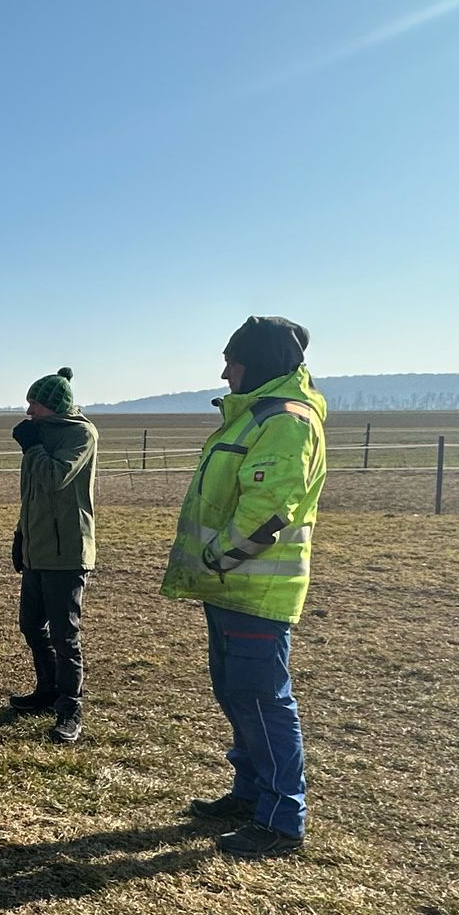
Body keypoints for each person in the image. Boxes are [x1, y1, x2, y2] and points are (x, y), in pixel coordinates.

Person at [161, 317, 328, 859]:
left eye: (232, 359)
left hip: (255, 590)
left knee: (262, 700)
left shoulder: (285, 420)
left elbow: (266, 512)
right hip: (230, 588)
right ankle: (250, 793)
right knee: (236, 693)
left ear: (256, 362)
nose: (224, 370)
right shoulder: (256, 415)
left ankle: (282, 818)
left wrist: (218, 557)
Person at [8, 366, 99, 744]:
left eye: (35, 404)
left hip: (66, 552)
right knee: (31, 624)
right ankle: (47, 689)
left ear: (54, 405)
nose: (28, 411)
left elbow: (53, 477)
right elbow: (31, 495)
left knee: (65, 635)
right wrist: (20, 535)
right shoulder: (41, 436)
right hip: (38, 548)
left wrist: (32, 447)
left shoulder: (80, 435)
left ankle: (70, 708)